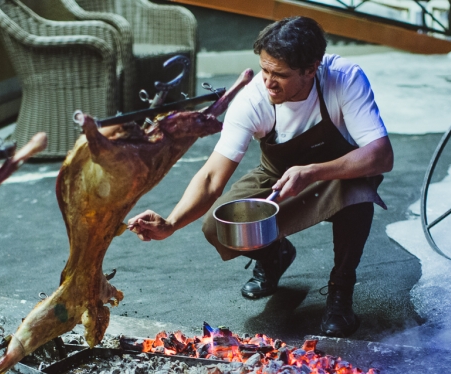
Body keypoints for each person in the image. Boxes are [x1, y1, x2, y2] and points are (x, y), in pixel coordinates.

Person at [128, 16, 393, 338]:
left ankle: (341, 289)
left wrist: (314, 172)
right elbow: (212, 177)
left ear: (311, 69)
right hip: (277, 174)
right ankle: (274, 255)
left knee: (358, 195)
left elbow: (380, 155)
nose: (268, 82)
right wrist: (171, 223)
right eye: (265, 70)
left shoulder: (343, 78)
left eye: (279, 74)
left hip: (337, 171)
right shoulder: (254, 99)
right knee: (217, 225)